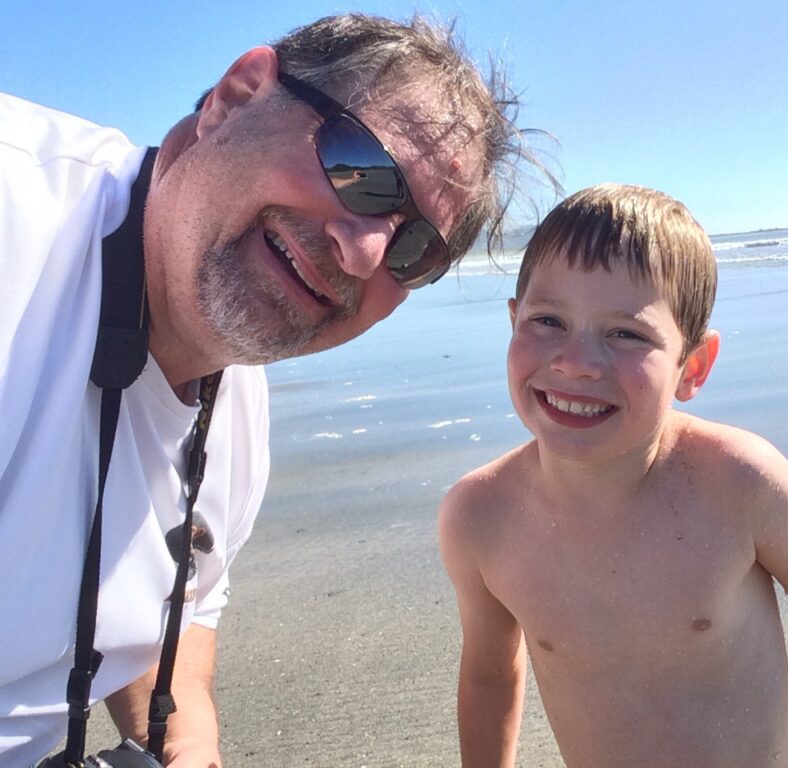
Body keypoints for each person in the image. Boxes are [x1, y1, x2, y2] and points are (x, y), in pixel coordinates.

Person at [0, 13, 528, 767]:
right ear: (237, 96)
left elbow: (167, 627)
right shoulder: (18, 217)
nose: (364, 249)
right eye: (361, 169)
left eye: (413, 250)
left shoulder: (236, 421)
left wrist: (187, 749)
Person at [438, 184, 788, 767]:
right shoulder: (480, 518)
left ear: (693, 366)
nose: (575, 361)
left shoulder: (738, 483)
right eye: (547, 320)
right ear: (512, 322)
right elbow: (489, 675)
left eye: (626, 334)